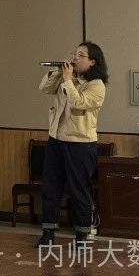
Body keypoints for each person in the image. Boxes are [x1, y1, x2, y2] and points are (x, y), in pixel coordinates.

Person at [36, 41, 108, 248]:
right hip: (56, 139)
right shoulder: (67, 78)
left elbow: (78, 102)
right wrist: (58, 73)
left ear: (92, 61)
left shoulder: (97, 86)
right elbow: (44, 88)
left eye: (81, 55)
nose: (75, 58)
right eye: (74, 54)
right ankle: (48, 232)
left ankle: (82, 235)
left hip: (80, 143)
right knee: (51, 186)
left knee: (79, 189)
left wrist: (68, 80)